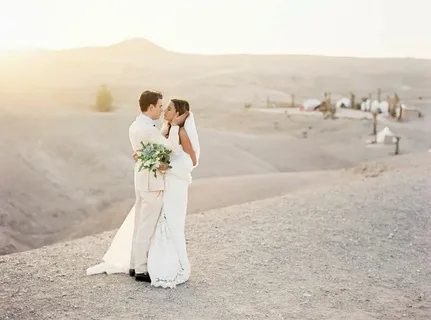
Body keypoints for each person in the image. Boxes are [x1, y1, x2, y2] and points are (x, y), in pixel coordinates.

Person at [86, 93, 200, 289]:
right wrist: (172, 129)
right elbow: (171, 148)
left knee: (141, 224)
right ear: (151, 107)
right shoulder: (151, 129)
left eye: (167, 107)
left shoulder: (137, 125)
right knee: (145, 227)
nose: (163, 109)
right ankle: (140, 269)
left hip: (144, 182)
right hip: (152, 184)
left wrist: (150, 156)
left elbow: (182, 157)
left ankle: (133, 264)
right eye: (160, 106)